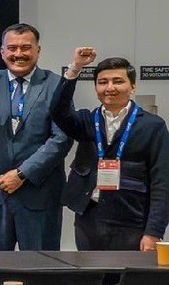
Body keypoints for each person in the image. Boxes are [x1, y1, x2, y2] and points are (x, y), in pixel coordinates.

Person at [0, 23, 72, 251]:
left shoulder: (56, 84)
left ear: (38, 50)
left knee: (40, 266)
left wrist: (22, 173)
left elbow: (62, 138)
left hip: (38, 194)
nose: (19, 54)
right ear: (2, 52)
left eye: (26, 47)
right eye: (12, 48)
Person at [53, 48, 168, 251]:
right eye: (103, 82)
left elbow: (162, 181)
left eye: (118, 81)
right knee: (90, 271)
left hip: (131, 220)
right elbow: (58, 110)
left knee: (128, 273)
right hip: (89, 219)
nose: (110, 87)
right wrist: (75, 68)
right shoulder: (87, 121)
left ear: (132, 87)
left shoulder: (152, 126)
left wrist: (154, 232)